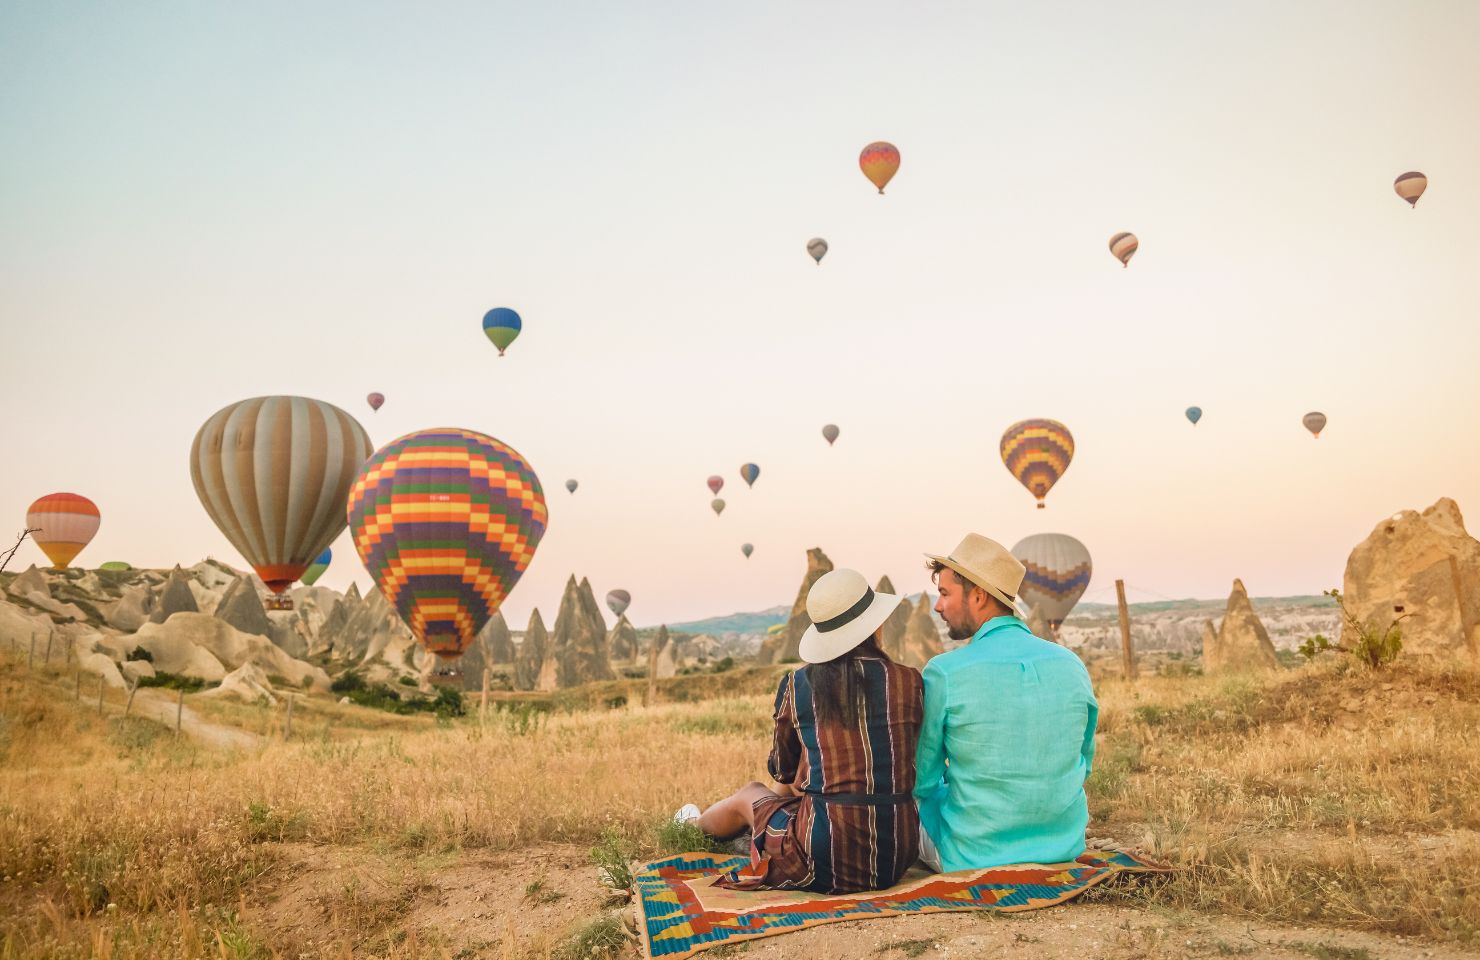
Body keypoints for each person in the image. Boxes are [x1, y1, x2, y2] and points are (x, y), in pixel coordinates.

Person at [677, 569, 923, 893]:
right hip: (896, 855)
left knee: (750, 794)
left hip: (823, 860)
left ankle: (691, 826)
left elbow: (782, 771)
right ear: (875, 625)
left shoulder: (800, 685)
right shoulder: (910, 680)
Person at [914, 533, 1098, 872]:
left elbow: (922, 779)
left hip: (970, 855)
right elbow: (1084, 762)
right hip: (1062, 845)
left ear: (979, 596)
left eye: (944, 593)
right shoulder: (1072, 664)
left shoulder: (944, 672)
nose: (938, 607)